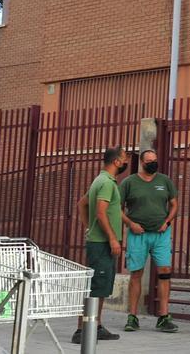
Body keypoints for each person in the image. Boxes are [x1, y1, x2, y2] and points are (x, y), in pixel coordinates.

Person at [72, 147, 129, 344]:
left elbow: (82, 204)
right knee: (95, 287)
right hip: (102, 244)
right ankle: (82, 330)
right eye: (124, 158)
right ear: (116, 162)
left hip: (100, 241)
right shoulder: (106, 183)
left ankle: (95, 325)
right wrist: (112, 238)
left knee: (102, 286)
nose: (125, 162)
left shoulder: (102, 180)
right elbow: (101, 213)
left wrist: (89, 227)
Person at [120, 149, 180, 333]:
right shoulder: (129, 183)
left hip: (161, 234)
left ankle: (163, 316)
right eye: (149, 161)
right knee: (136, 273)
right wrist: (131, 224)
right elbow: (118, 208)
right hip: (138, 234)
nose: (153, 163)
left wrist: (167, 222)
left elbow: (174, 204)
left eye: (155, 160)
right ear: (142, 163)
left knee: (164, 271)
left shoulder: (165, 181)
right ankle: (132, 316)